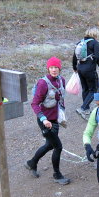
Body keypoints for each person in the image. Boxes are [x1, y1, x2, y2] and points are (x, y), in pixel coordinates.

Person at [24, 57, 71, 185]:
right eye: (51, 67)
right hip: (45, 121)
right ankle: (57, 175)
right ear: (48, 68)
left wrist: (61, 115)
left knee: (50, 144)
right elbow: (34, 104)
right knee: (58, 146)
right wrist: (44, 119)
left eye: (56, 67)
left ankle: (31, 163)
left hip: (54, 120)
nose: (54, 70)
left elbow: (60, 99)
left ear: (60, 68)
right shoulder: (43, 83)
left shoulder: (62, 81)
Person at [73, 27, 99, 120]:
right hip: (90, 70)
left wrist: (75, 67)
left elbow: (74, 56)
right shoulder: (94, 43)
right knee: (94, 89)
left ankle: (86, 110)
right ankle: (83, 108)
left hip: (80, 69)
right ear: (95, 34)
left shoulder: (80, 42)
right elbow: (98, 56)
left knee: (85, 89)